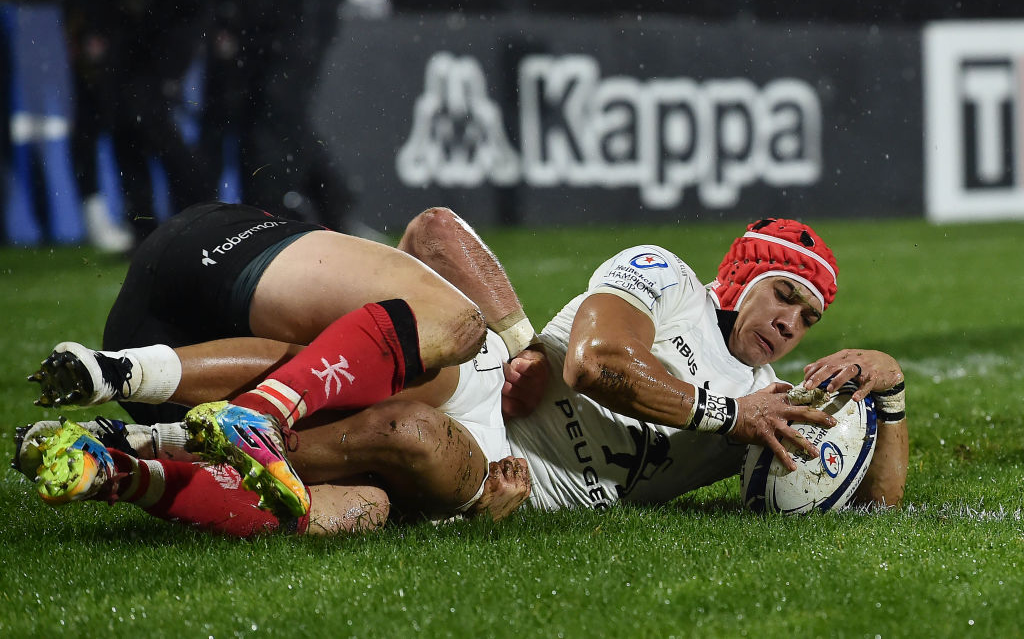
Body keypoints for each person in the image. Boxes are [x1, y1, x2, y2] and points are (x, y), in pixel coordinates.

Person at [19, 209, 908, 536]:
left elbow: (876, 504)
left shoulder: (771, 402)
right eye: (784, 295)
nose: (790, 324)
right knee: (406, 371)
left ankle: (126, 460)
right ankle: (133, 384)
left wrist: (892, 389)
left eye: (809, 318)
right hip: (490, 388)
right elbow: (597, 362)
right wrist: (726, 413)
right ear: (743, 276)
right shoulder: (664, 276)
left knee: (360, 497)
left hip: (503, 476)